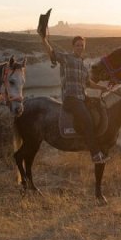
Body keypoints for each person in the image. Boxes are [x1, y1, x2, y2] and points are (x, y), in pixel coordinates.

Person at [38, 29, 109, 164]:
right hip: (71, 98)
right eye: (77, 45)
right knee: (87, 120)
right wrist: (44, 40)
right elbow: (52, 54)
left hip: (82, 97)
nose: (80, 48)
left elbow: (88, 83)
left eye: (82, 45)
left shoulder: (83, 65)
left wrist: (102, 87)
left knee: (98, 107)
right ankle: (95, 154)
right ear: (73, 46)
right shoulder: (66, 58)